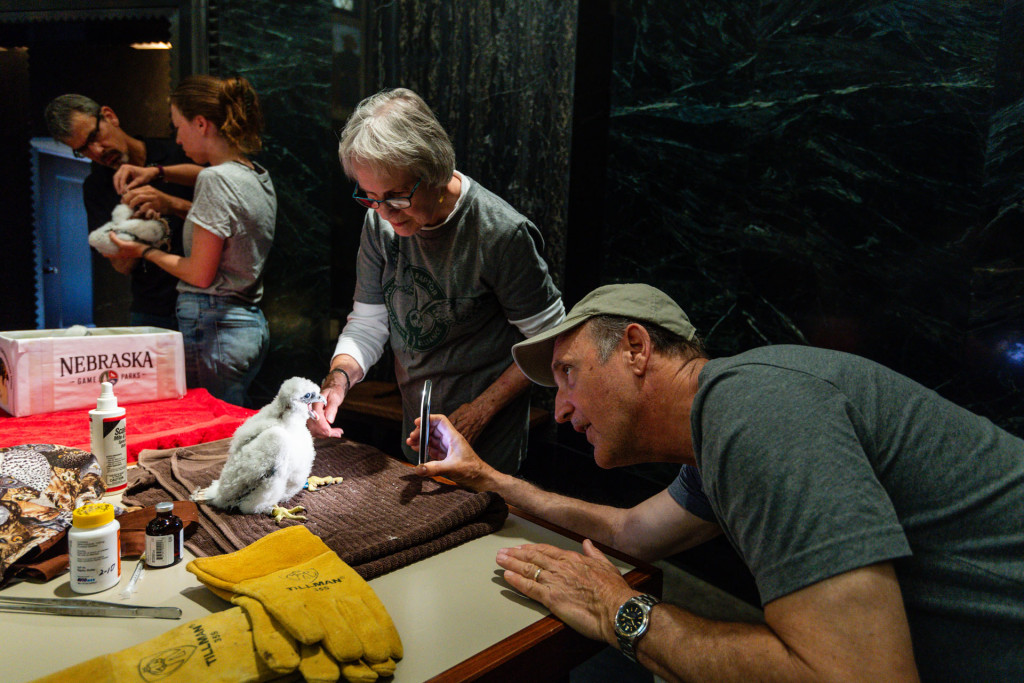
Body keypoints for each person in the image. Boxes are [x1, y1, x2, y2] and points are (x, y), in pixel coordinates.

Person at [411, 283, 1024, 681]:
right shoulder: (724, 424)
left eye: (568, 373)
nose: (563, 407)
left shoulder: (756, 411)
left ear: (635, 347)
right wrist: (489, 478)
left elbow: (859, 676)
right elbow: (632, 531)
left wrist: (623, 611)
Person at [308, 87, 565, 474]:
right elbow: (368, 322)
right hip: (418, 425)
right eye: (371, 197)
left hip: (485, 437)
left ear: (435, 171)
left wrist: (483, 409)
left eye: (396, 197)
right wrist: (338, 380)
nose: (385, 213)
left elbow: (549, 338)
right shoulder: (379, 221)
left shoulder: (500, 233)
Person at [104, 76, 276, 407]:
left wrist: (143, 251)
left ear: (201, 123)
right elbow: (212, 180)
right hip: (245, 326)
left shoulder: (216, 179)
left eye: (178, 127)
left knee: (212, 441)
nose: (178, 138)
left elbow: (199, 274)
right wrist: (158, 174)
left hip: (214, 327)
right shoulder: (255, 174)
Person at [44, 94, 199, 329]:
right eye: (83, 149)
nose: (97, 151)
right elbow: (120, 267)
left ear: (109, 116)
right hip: (152, 310)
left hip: (206, 300)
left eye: (94, 136)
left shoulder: (180, 153)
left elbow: (230, 222)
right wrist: (133, 231)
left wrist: (171, 204)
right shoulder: (96, 186)